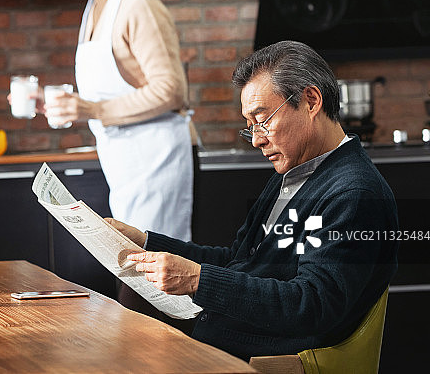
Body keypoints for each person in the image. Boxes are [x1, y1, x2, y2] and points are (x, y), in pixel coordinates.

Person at [107, 40, 399, 361]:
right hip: (232, 330)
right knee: (131, 297)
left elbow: (311, 304)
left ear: (310, 101)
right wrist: (147, 242)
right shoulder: (295, 170)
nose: (258, 140)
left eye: (263, 120)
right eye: (251, 127)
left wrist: (197, 280)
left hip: (268, 351)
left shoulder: (354, 194)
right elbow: (238, 260)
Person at [44, 0, 197, 246]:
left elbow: (170, 89)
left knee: (152, 277)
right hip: (125, 161)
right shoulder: (98, 1)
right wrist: (59, 103)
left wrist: (92, 109)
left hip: (158, 158)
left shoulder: (136, 2)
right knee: (135, 273)